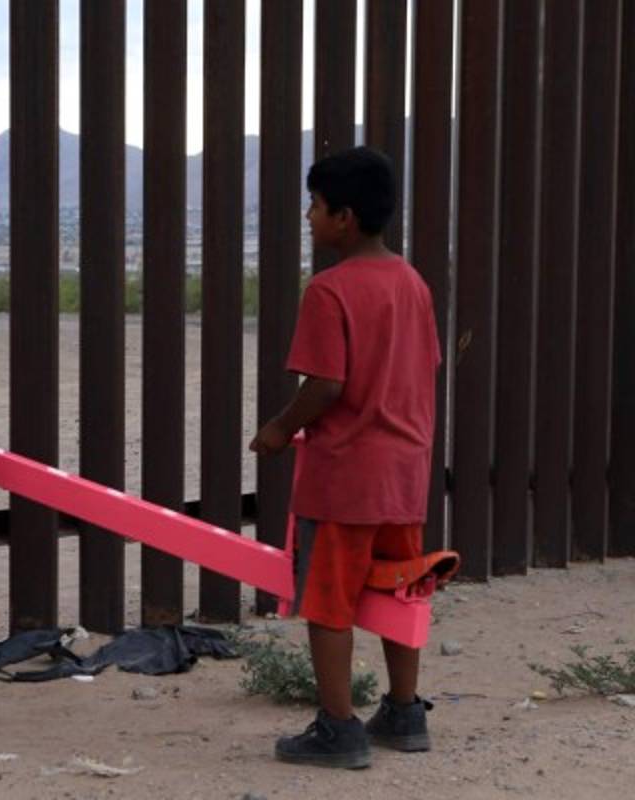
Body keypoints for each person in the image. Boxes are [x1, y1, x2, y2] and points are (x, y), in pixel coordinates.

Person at [249, 146, 441, 769]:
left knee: (328, 601)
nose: (309, 217)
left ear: (346, 217)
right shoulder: (412, 284)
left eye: (316, 206)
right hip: (404, 473)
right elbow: (422, 368)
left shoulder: (329, 292)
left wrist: (278, 429)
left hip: (344, 479)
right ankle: (405, 712)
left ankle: (338, 728)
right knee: (400, 590)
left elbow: (327, 384)